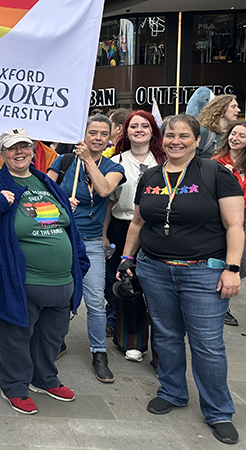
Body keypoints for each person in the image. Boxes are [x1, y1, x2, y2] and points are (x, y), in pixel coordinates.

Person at [118, 114, 243, 445]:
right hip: (155, 269)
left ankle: (218, 411)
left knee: (207, 344)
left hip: (203, 272)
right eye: (170, 135)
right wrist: (127, 257)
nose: (175, 141)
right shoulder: (151, 176)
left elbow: (235, 226)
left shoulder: (217, 175)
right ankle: (172, 391)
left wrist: (232, 269)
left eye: (183, 136)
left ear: (197, 140)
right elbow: (137, 222)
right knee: (167, 335)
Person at [0, 128, 89, 414]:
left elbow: (69, 227)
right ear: (2, 154)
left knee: (52, 338)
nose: (20, 153)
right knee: (15, 339)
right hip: (19, 283)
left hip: (61, 282)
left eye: (24, 147)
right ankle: (15, 386)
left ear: (33, 150)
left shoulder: (45, 182)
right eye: (12, 148)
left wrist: (79, 261)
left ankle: (44, 379)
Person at [47, 115, 124, 383]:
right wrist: (61, 203)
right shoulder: (64, 161)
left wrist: (89, 160)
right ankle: (57, 342)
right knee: (61, 296)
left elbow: (103, 190)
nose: (98, 138)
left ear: (110, 137)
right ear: (84, 134)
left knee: (95, 301)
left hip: (90, 243)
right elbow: (44, 194)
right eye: (93, 132)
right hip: (60, 239)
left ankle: (99, 353)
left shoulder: (114, 167)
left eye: (104, 134)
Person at [104, 111, 165, 363]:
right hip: (123, 225)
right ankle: (132, 339)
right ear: (125, 132)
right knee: (125, 283)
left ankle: (162, 347)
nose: (139, 130)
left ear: (153, 130)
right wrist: (104, 234)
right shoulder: (116, 161)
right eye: (133, 126)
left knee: (158, 289)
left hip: (158, 229)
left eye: (144, 126)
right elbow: (109, 201)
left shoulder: (165, 160)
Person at [213, 121, 246, 327]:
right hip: (224, 218)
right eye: (234, 134)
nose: (235, 138)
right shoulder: (216, 162)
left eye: (242, 136)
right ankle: (222, 306)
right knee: (229, 260)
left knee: (242, 264)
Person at [197, 94, 241, 159]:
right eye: (233, 107)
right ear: (221, 109)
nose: (238, 110)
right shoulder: (204, 132)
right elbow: (190, 157)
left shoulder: (232, 134)